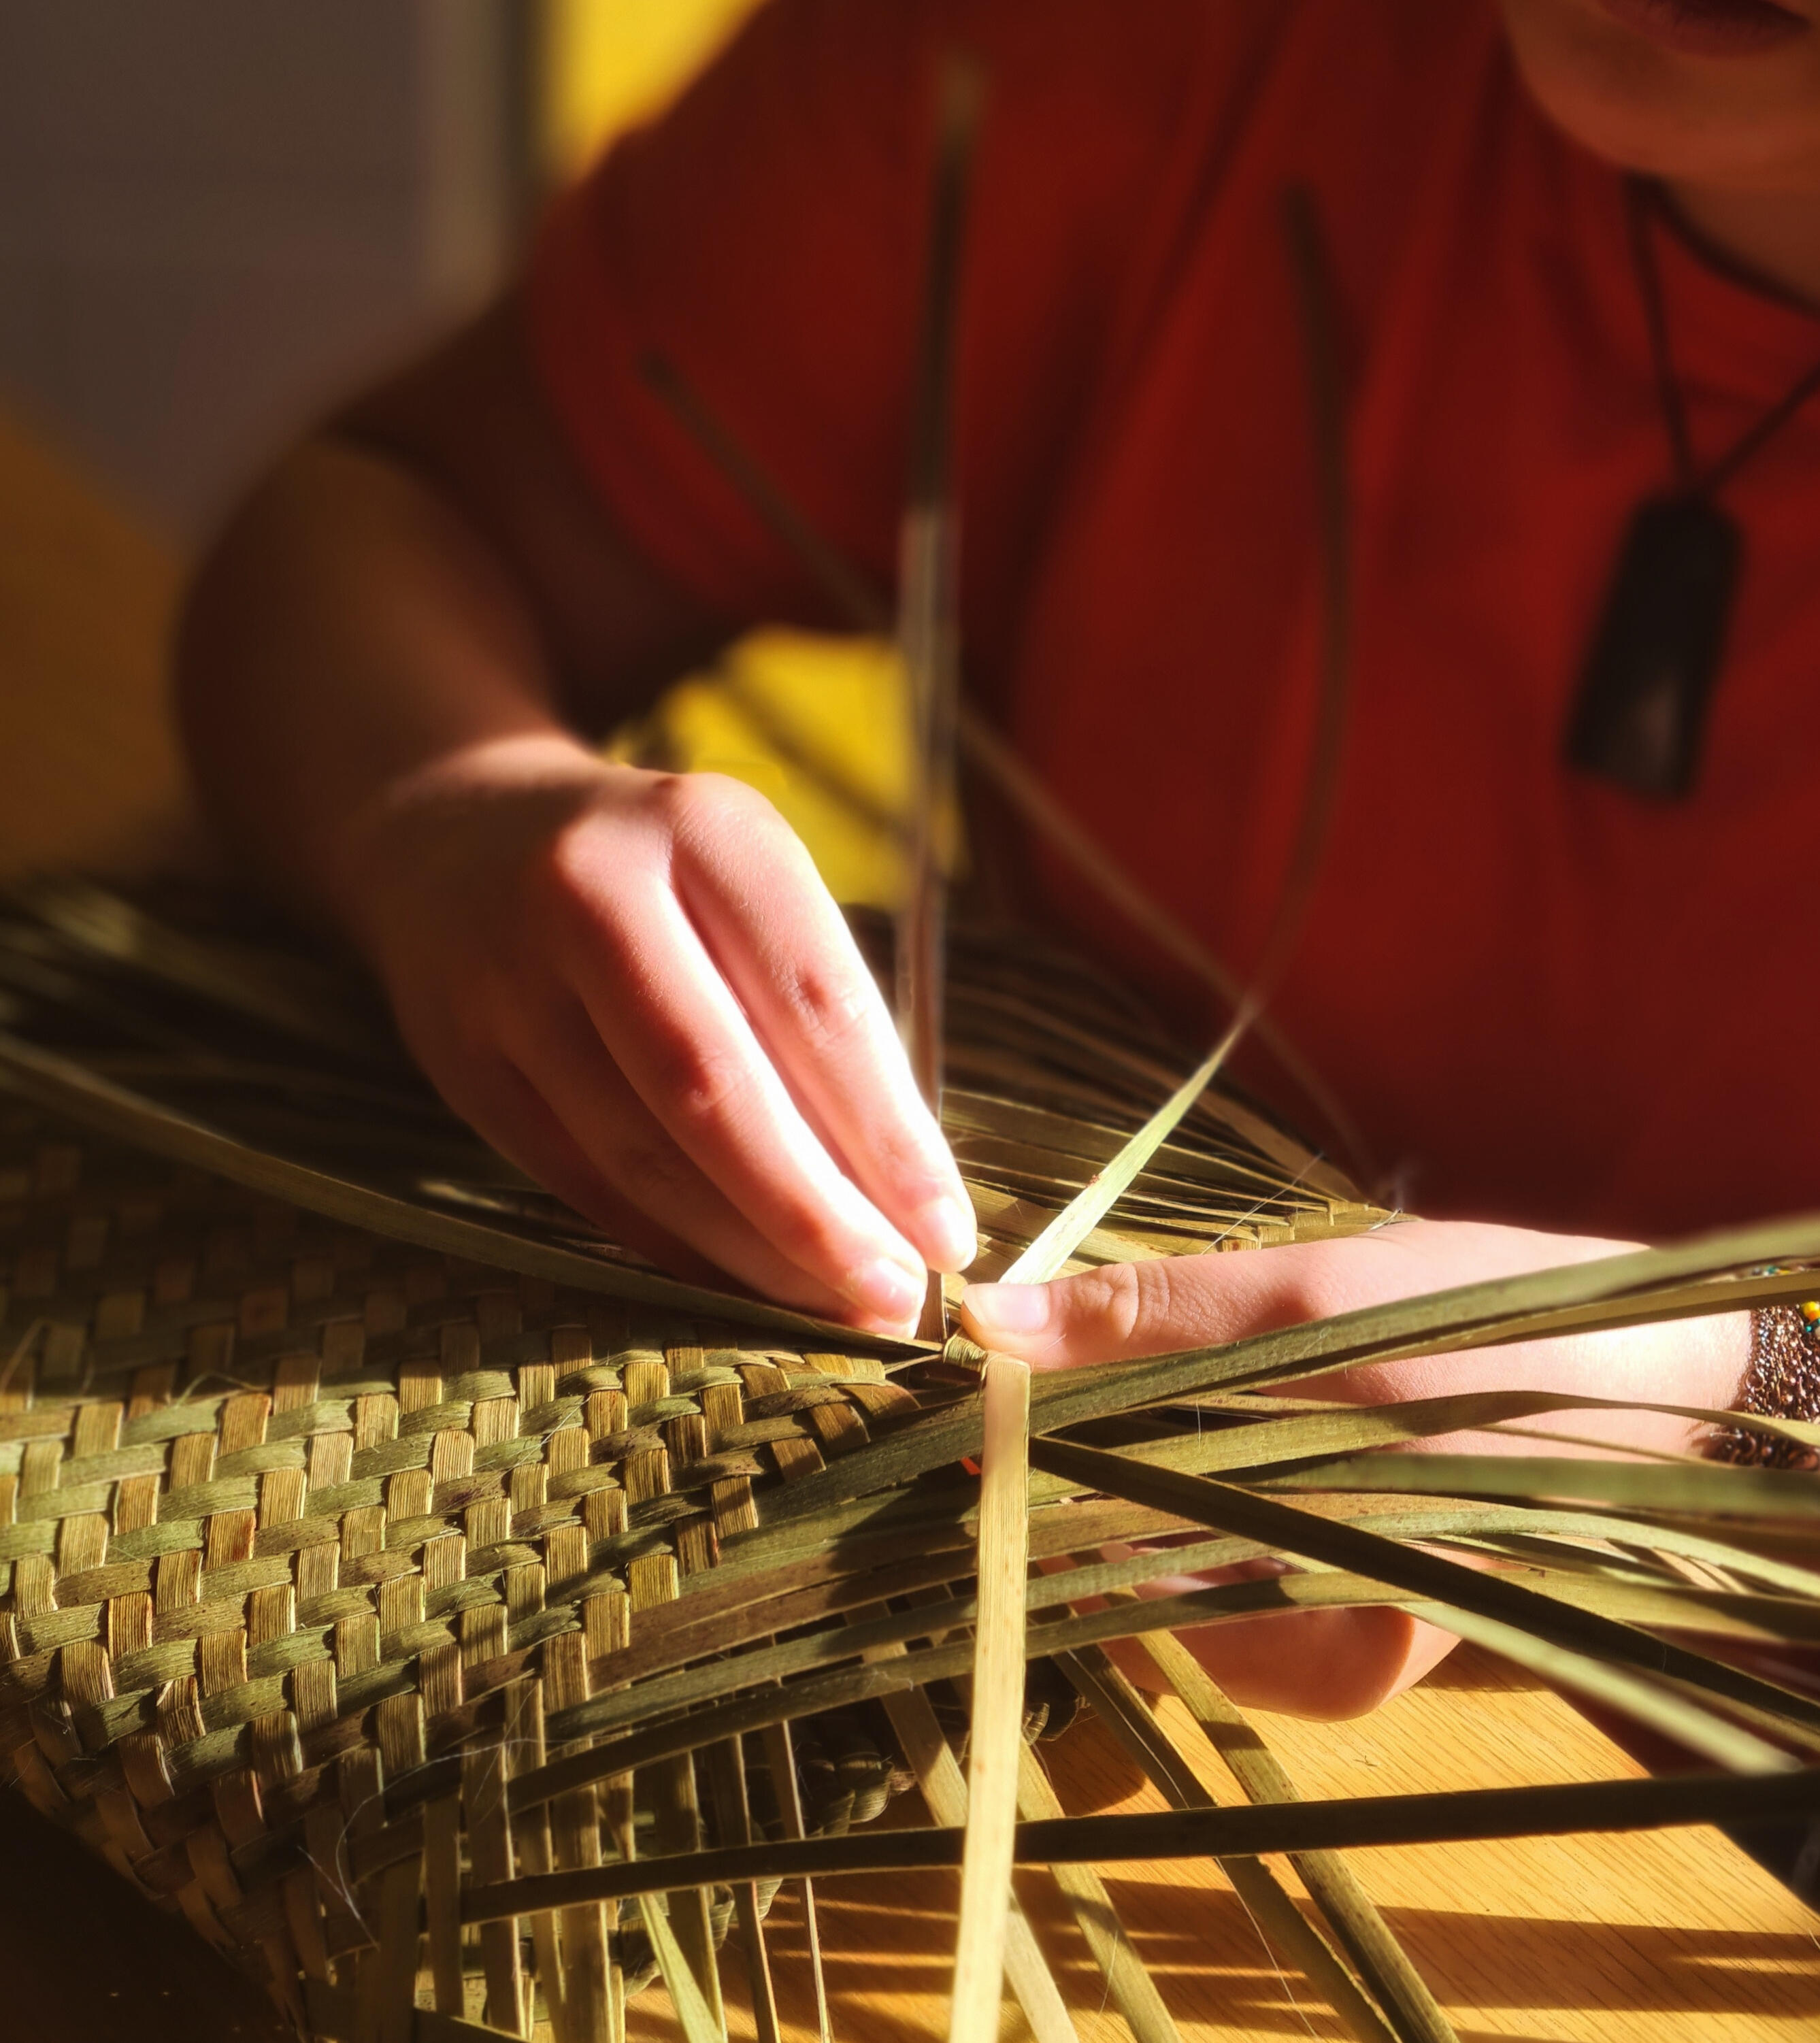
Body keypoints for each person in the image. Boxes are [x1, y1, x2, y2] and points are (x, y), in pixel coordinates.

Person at [175, 0, 1820, 1716]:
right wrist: (446, 810)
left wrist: (1744, 1392)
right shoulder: (1121, 48)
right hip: (1007, 1626)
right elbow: (387, 518)